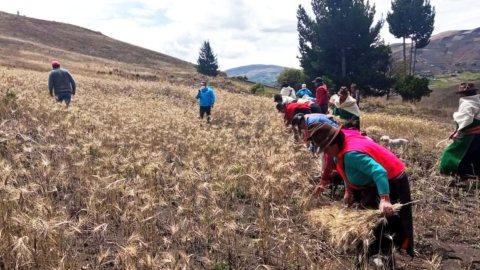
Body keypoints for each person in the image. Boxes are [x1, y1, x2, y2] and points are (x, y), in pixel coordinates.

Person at [308, 122, 414, 264]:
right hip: (373, 184)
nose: (325, 154)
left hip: (390, 181)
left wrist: (385, 199)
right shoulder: (340, 150)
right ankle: (372, 255)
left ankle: (382, 257)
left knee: (385, 223)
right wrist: (348, 191)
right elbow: (345, 170)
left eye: (325, 150)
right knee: (371, 222)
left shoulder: (351, 154)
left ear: (332, 145)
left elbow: (379, 172)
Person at [440, 83, 480, 179]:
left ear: (464, 94)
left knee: (453, 153)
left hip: (469, 136)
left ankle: (451, 171)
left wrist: (459, 132)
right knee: (475, 155)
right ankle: (474, 174)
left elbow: (466, 120)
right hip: (478, 135)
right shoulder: (477, 101)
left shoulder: (467, 104)